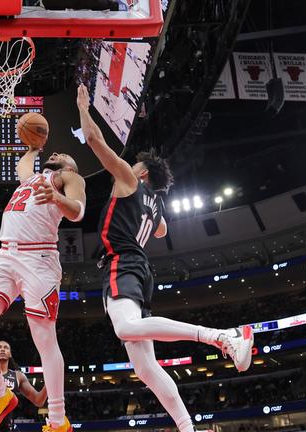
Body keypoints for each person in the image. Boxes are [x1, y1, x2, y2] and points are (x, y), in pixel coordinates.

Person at [76, 84, 254, 432]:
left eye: (134, 165)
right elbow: (161, 231)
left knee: (125, 327)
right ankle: (188, 428)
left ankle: (220, 336)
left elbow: (95, 141)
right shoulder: (156, 204)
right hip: (140, 268)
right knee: (144, 368)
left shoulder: (129, 180)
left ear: (140, 173)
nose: (127, 166)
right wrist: (152, 201)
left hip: (122, 261)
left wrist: (83, 107)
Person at [0, 136, 86, 432]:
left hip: (39, 257)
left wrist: (56, 197)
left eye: (61, 154)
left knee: (44, 338)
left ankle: (58, 420)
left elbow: (78, 211)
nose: (55, 152)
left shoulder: (68, 176)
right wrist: (33, 148)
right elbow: (22, 168)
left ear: (68, 165)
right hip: (6, 253)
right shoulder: (32, 179)